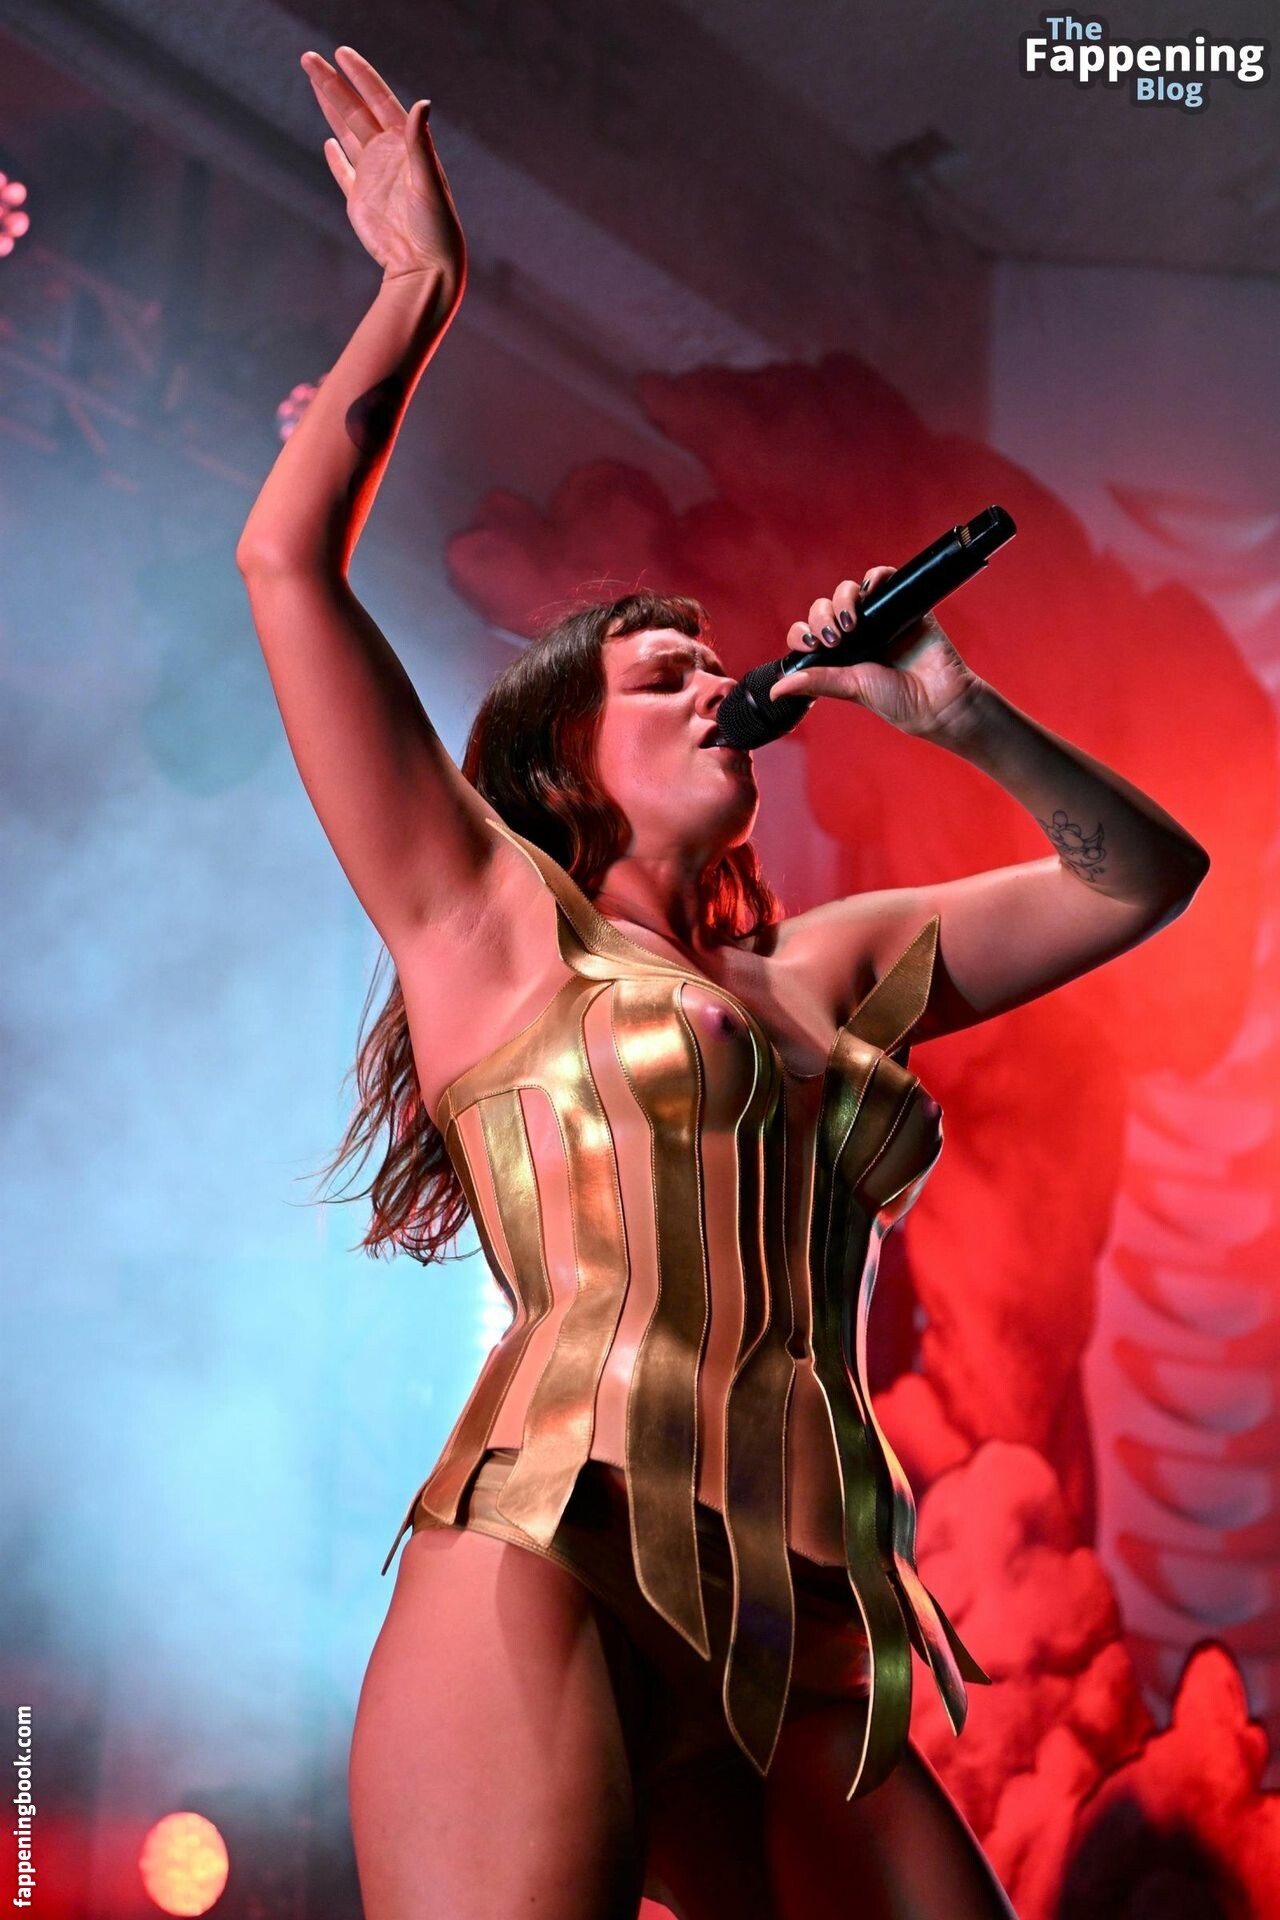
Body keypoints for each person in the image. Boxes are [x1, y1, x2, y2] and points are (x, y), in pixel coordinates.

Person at [235, 43, 1210, 1920]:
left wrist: (958, 713)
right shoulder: (488, 926)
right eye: (659, 676)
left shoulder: (824, 965)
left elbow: (1142, 879)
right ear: (558, 764)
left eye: (712, 664)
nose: (717, 684)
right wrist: (418, 291)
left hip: (800, 1609)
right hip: (556, 1549)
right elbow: (287, 567)